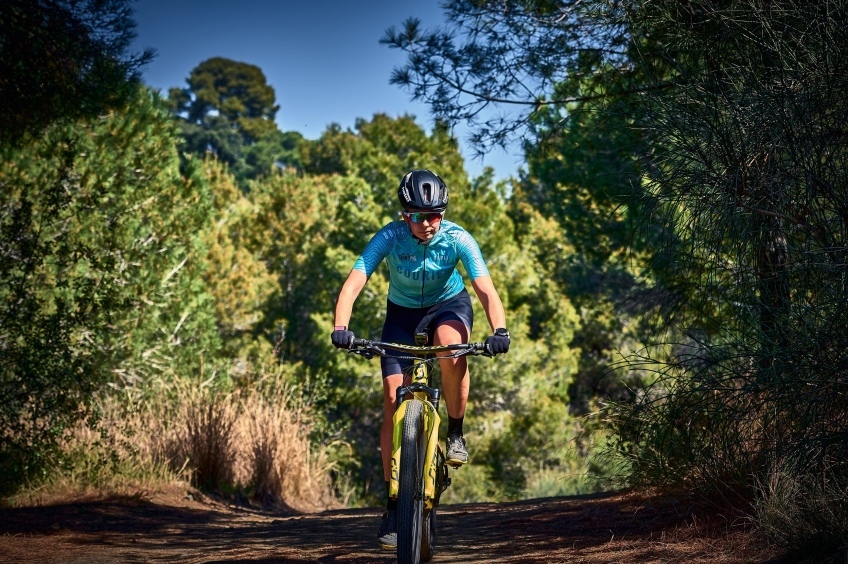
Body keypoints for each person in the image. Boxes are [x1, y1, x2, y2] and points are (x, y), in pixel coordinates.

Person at [331, 169, 510, 549]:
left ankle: (456, 431)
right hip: (401, 316)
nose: (427, 224)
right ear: (404, 215)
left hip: (449, 307)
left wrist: (500, 331)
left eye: (435, 215)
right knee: (392, 400)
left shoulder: (458, 238)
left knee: (450, 347)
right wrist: (341, 327)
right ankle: (394, 505)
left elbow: (485, 289)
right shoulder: (390, 238)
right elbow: (353, 282)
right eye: (417, 216)